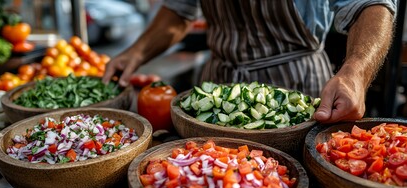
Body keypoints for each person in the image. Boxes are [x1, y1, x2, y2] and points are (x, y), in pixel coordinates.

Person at [103, 0, 398, 124]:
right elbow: (180, 11)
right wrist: (136, 53)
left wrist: (355, 71)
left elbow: (370, 5)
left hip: (297, 87)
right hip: (218, 85)